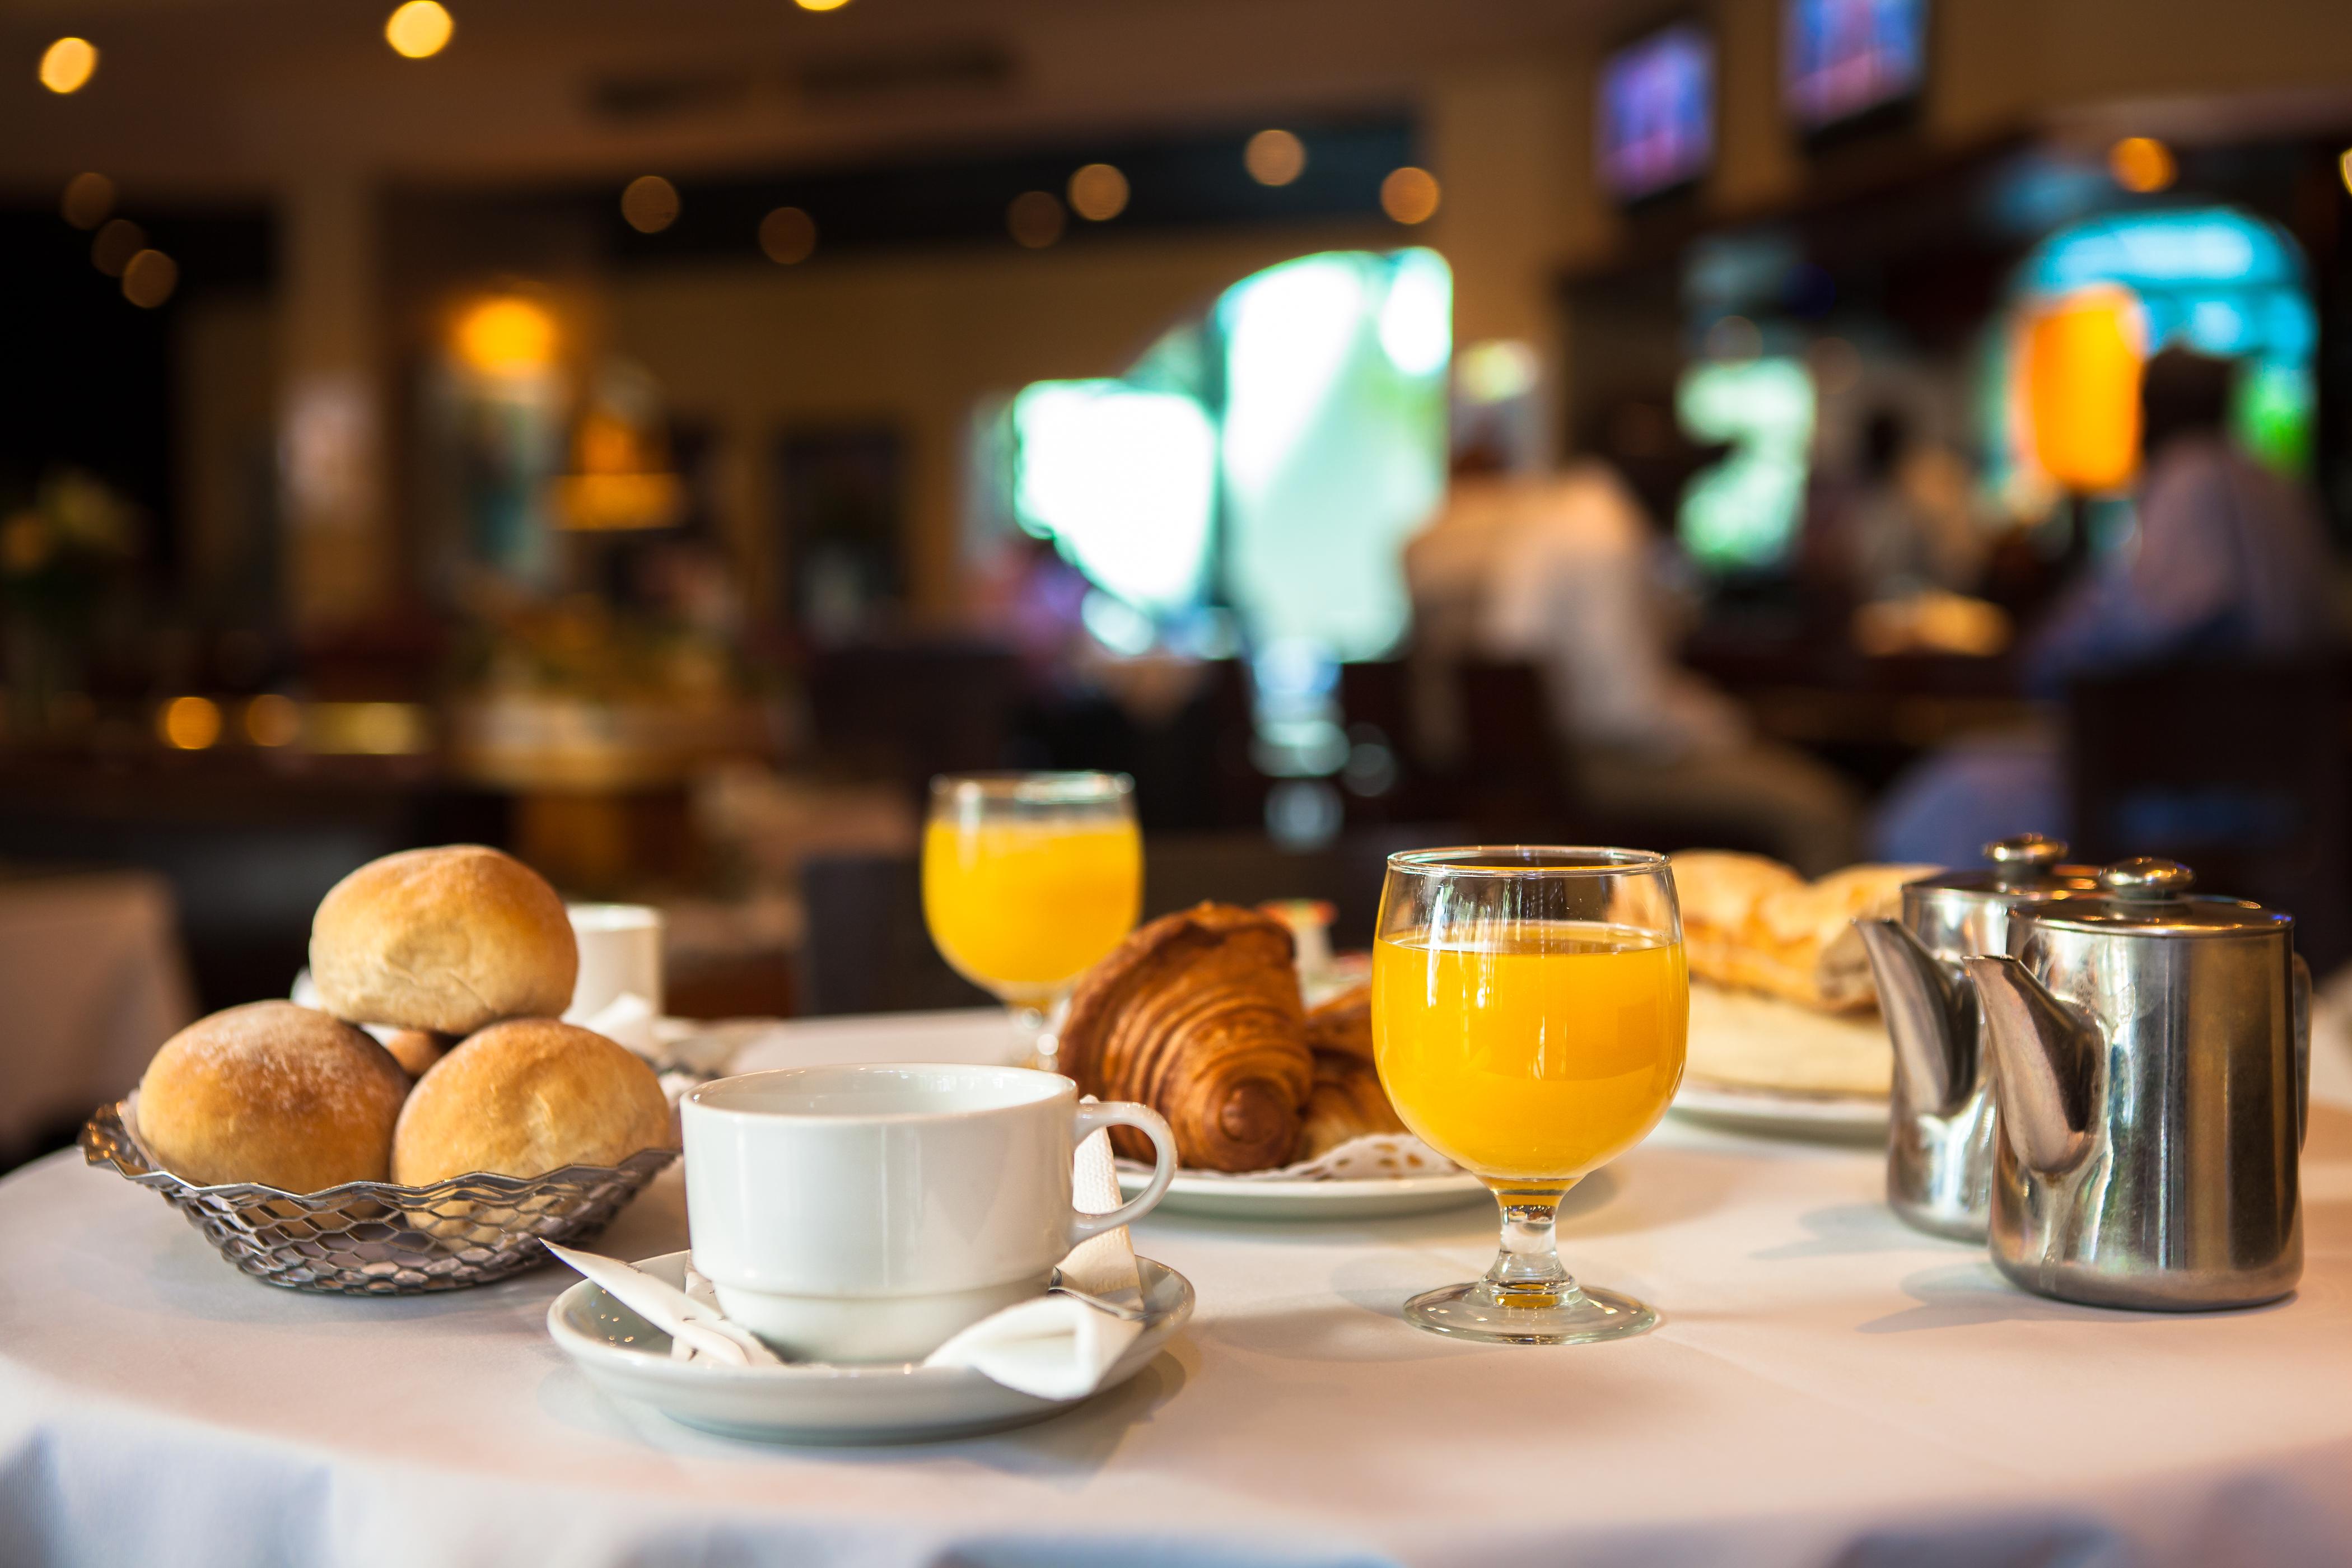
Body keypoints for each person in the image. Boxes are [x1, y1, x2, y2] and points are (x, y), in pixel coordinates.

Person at [1872, 347, 2341, 865]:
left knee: (1943, 798)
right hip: (2283, 781)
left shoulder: (2191, 477)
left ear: (2158, 407)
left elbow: (2153, 620)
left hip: (2188, 785)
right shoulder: (2276, 483)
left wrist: (2045, 652)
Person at [1405, 410, 1863, 876]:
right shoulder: (1606, 530)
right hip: (1588, 762)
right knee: (1821, 808)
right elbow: (1630, 711)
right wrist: (1718, 724)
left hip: (1537, 761)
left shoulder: (1568, 510)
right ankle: (1816, 941)